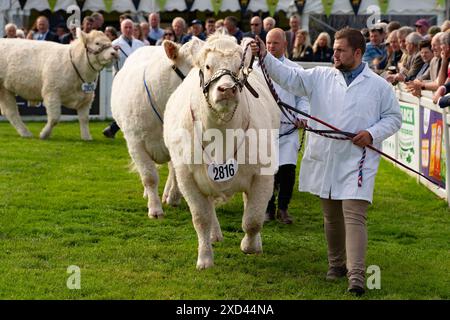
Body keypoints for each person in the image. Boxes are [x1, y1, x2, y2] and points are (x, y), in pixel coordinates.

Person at [251, 27, 402, 295]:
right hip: (326, 156)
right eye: (333, 49)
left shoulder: (379, 86)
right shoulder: (320, 76)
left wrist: (371, 133)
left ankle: (356, 276)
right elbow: (289, 77)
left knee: (354, 215)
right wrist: (265, 55)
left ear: (357, 52)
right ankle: (336, 265)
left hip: (358, 159)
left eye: (340, 50)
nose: (334, 54)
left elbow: (393, 118)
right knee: (331, 216)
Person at [262, 28, 309, 224]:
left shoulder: (296, 69)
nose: (271, 47)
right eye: (269, 43)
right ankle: (267, 209)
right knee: (266, 171)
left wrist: (302, 116)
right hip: (263, 130)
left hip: (288, 128)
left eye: (275, 43)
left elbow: (303, 97)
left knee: (287, 170)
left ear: (285, 44)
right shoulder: (256, 69)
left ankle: (283, 209)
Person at [103, 19, 145, 139]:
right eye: (125, 27)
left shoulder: (140, 44)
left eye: (130, 27)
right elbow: (107, 65)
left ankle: (113, 128)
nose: (128, 30)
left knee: (133, 106)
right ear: (121, 29)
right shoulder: (114, 44)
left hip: (137, 80)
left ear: (134, 29)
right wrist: (112, 54)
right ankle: (114, 128)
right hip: (122, 80)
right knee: (125, 107)